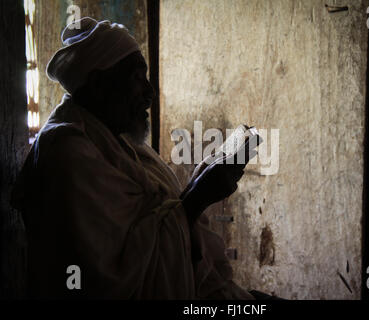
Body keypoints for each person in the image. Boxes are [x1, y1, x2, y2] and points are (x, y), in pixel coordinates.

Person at [11, 17, 256, 299]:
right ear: (99, 85)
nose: (149, 93)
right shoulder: (66, 154)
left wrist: (199, 182)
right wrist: (198, 198)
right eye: (137, 78)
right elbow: (114, 278)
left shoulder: (119, 138)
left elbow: (160, 215)